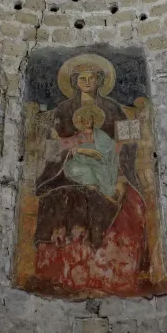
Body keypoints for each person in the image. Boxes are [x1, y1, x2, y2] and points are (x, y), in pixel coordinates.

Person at [29, 54, 152, 297]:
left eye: (92, 78)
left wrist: (120, 174)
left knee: (135, 205)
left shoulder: (113, 108)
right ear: (74, 82)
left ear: (100, 81)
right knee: (55, 200)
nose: (87, 82)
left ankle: (114, 276)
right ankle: (55, 276)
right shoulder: (64, 109)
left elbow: (128, 142)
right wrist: (68, 150)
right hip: (67, 169)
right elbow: (53, 145)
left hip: (109, 169)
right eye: (82, 78)